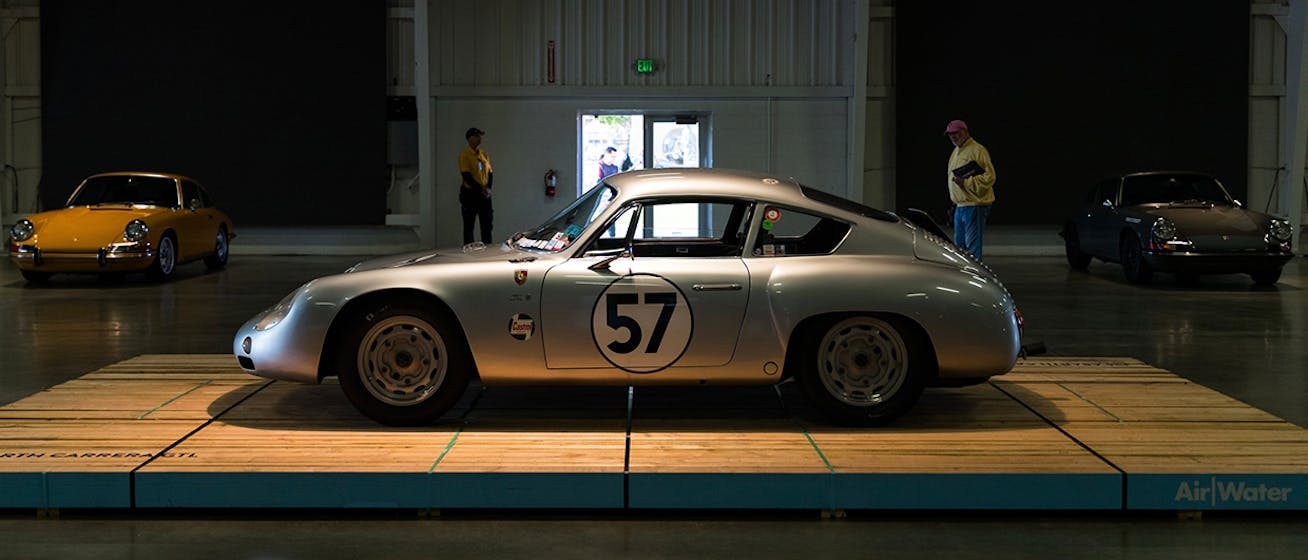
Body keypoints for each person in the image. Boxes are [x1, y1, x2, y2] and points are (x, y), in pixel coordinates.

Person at [943, 119, 996, 260]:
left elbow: (990, 177)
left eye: (956, 133)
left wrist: (966, 183)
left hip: (974, 205)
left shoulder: (977, 150)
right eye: (950, 134)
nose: (953, 136)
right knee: (960, 248)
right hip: (961, 206)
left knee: (972, 249)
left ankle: (976, 277)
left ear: (965, 132)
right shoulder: (956, 151)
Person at [458, 127, 494, 245]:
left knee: (487, 225)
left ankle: (487, 250)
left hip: (484, 195)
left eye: (480, 136)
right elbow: (466, 176)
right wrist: (481, 188)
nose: (480, 138)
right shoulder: (465, 155)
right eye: (477, 136)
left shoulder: (484, 155)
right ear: (470, 138)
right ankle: (469, 253)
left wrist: (488, 188)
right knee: (469, 226)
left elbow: (490, 173)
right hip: (471, 195)